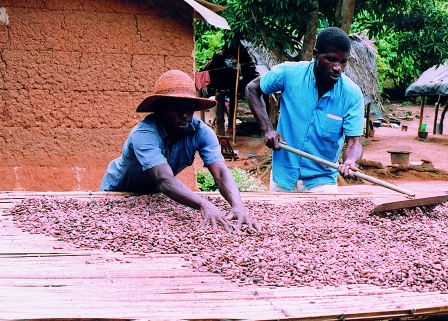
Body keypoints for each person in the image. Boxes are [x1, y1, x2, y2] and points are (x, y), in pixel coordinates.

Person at [101, 70, 260, 232]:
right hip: (118, 193)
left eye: (189, 108)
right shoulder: (144, 133)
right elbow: (164, 179)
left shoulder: (201, 132)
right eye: (175, 108)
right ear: (161, 109)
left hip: (154, 195)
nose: (184, 115)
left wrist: (238, 206)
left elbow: (220, 173)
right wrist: (203, 204)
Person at [245, 27, 364, 193]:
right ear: (315, 54)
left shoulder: (352, 94)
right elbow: (252, 89)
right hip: (283, 178)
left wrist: (350, 161)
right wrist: (267, 129)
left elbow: (353, 142)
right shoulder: (289, 73)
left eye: (343, 62)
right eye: (331, 60)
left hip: (322, 183)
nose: (338, 68)